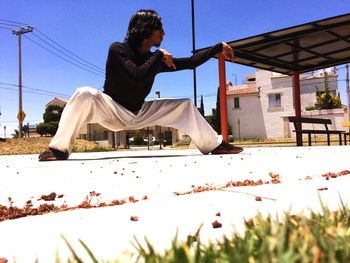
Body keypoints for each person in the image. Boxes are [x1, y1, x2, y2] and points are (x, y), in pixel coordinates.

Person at [39, 9, 243, 161]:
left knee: (184, 105)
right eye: (159, 29)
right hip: (112, 109)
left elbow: (189, 63)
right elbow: (136, 76)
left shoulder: (154, 59)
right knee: (84, 93)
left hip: (140, 112)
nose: (163, 33)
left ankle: (213, 145)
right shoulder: (117, 50)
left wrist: (218, 47)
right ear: (146, 29)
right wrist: (159, 56)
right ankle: (58, 149)